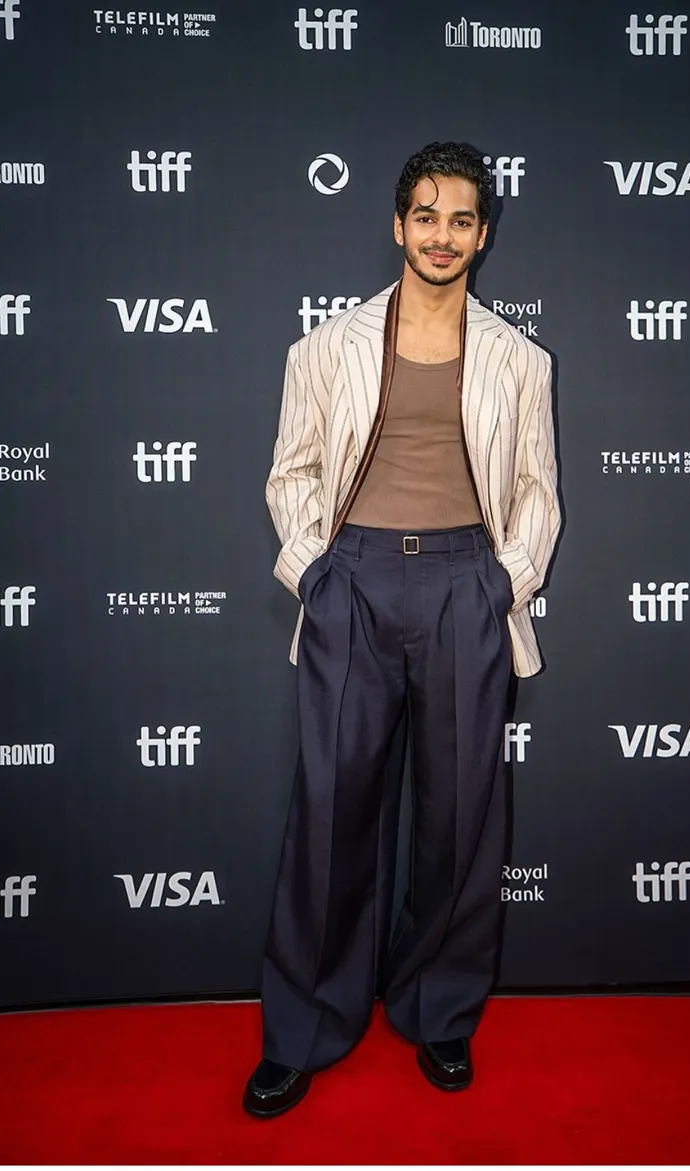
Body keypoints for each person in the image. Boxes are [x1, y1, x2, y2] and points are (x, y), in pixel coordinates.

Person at [243, 141, 561, 1119]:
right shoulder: (324, 347)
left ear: (482, 234)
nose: (441, 235)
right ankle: (305, 1025)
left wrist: (501, 584)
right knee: (332, 811)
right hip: (354, 583)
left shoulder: (520, 360)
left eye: (461, 219)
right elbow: (291, 474)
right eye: (426, 215)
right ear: (397, 225)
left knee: (459, 818)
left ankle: (438, 1008)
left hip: (467, 584)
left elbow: (537, 494)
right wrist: (315, 573)